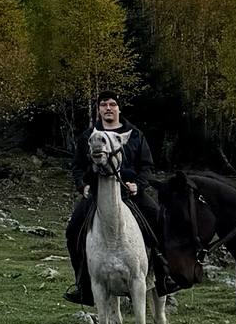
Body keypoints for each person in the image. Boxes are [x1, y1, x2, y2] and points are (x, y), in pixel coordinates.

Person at [66, 93, 167, 307]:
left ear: (119, 109)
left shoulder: (136, 135)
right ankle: (83, 286)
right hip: (97, 194)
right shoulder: (88, 137)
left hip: (131, 193)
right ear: (99, 110)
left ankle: (165, 277)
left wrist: (138, 184)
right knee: (73, 230)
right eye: (104, 105)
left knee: (159, 220)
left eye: (112, 104)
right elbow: (77, 166)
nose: (108, 108)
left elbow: (147, 166)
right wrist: (82, 185)